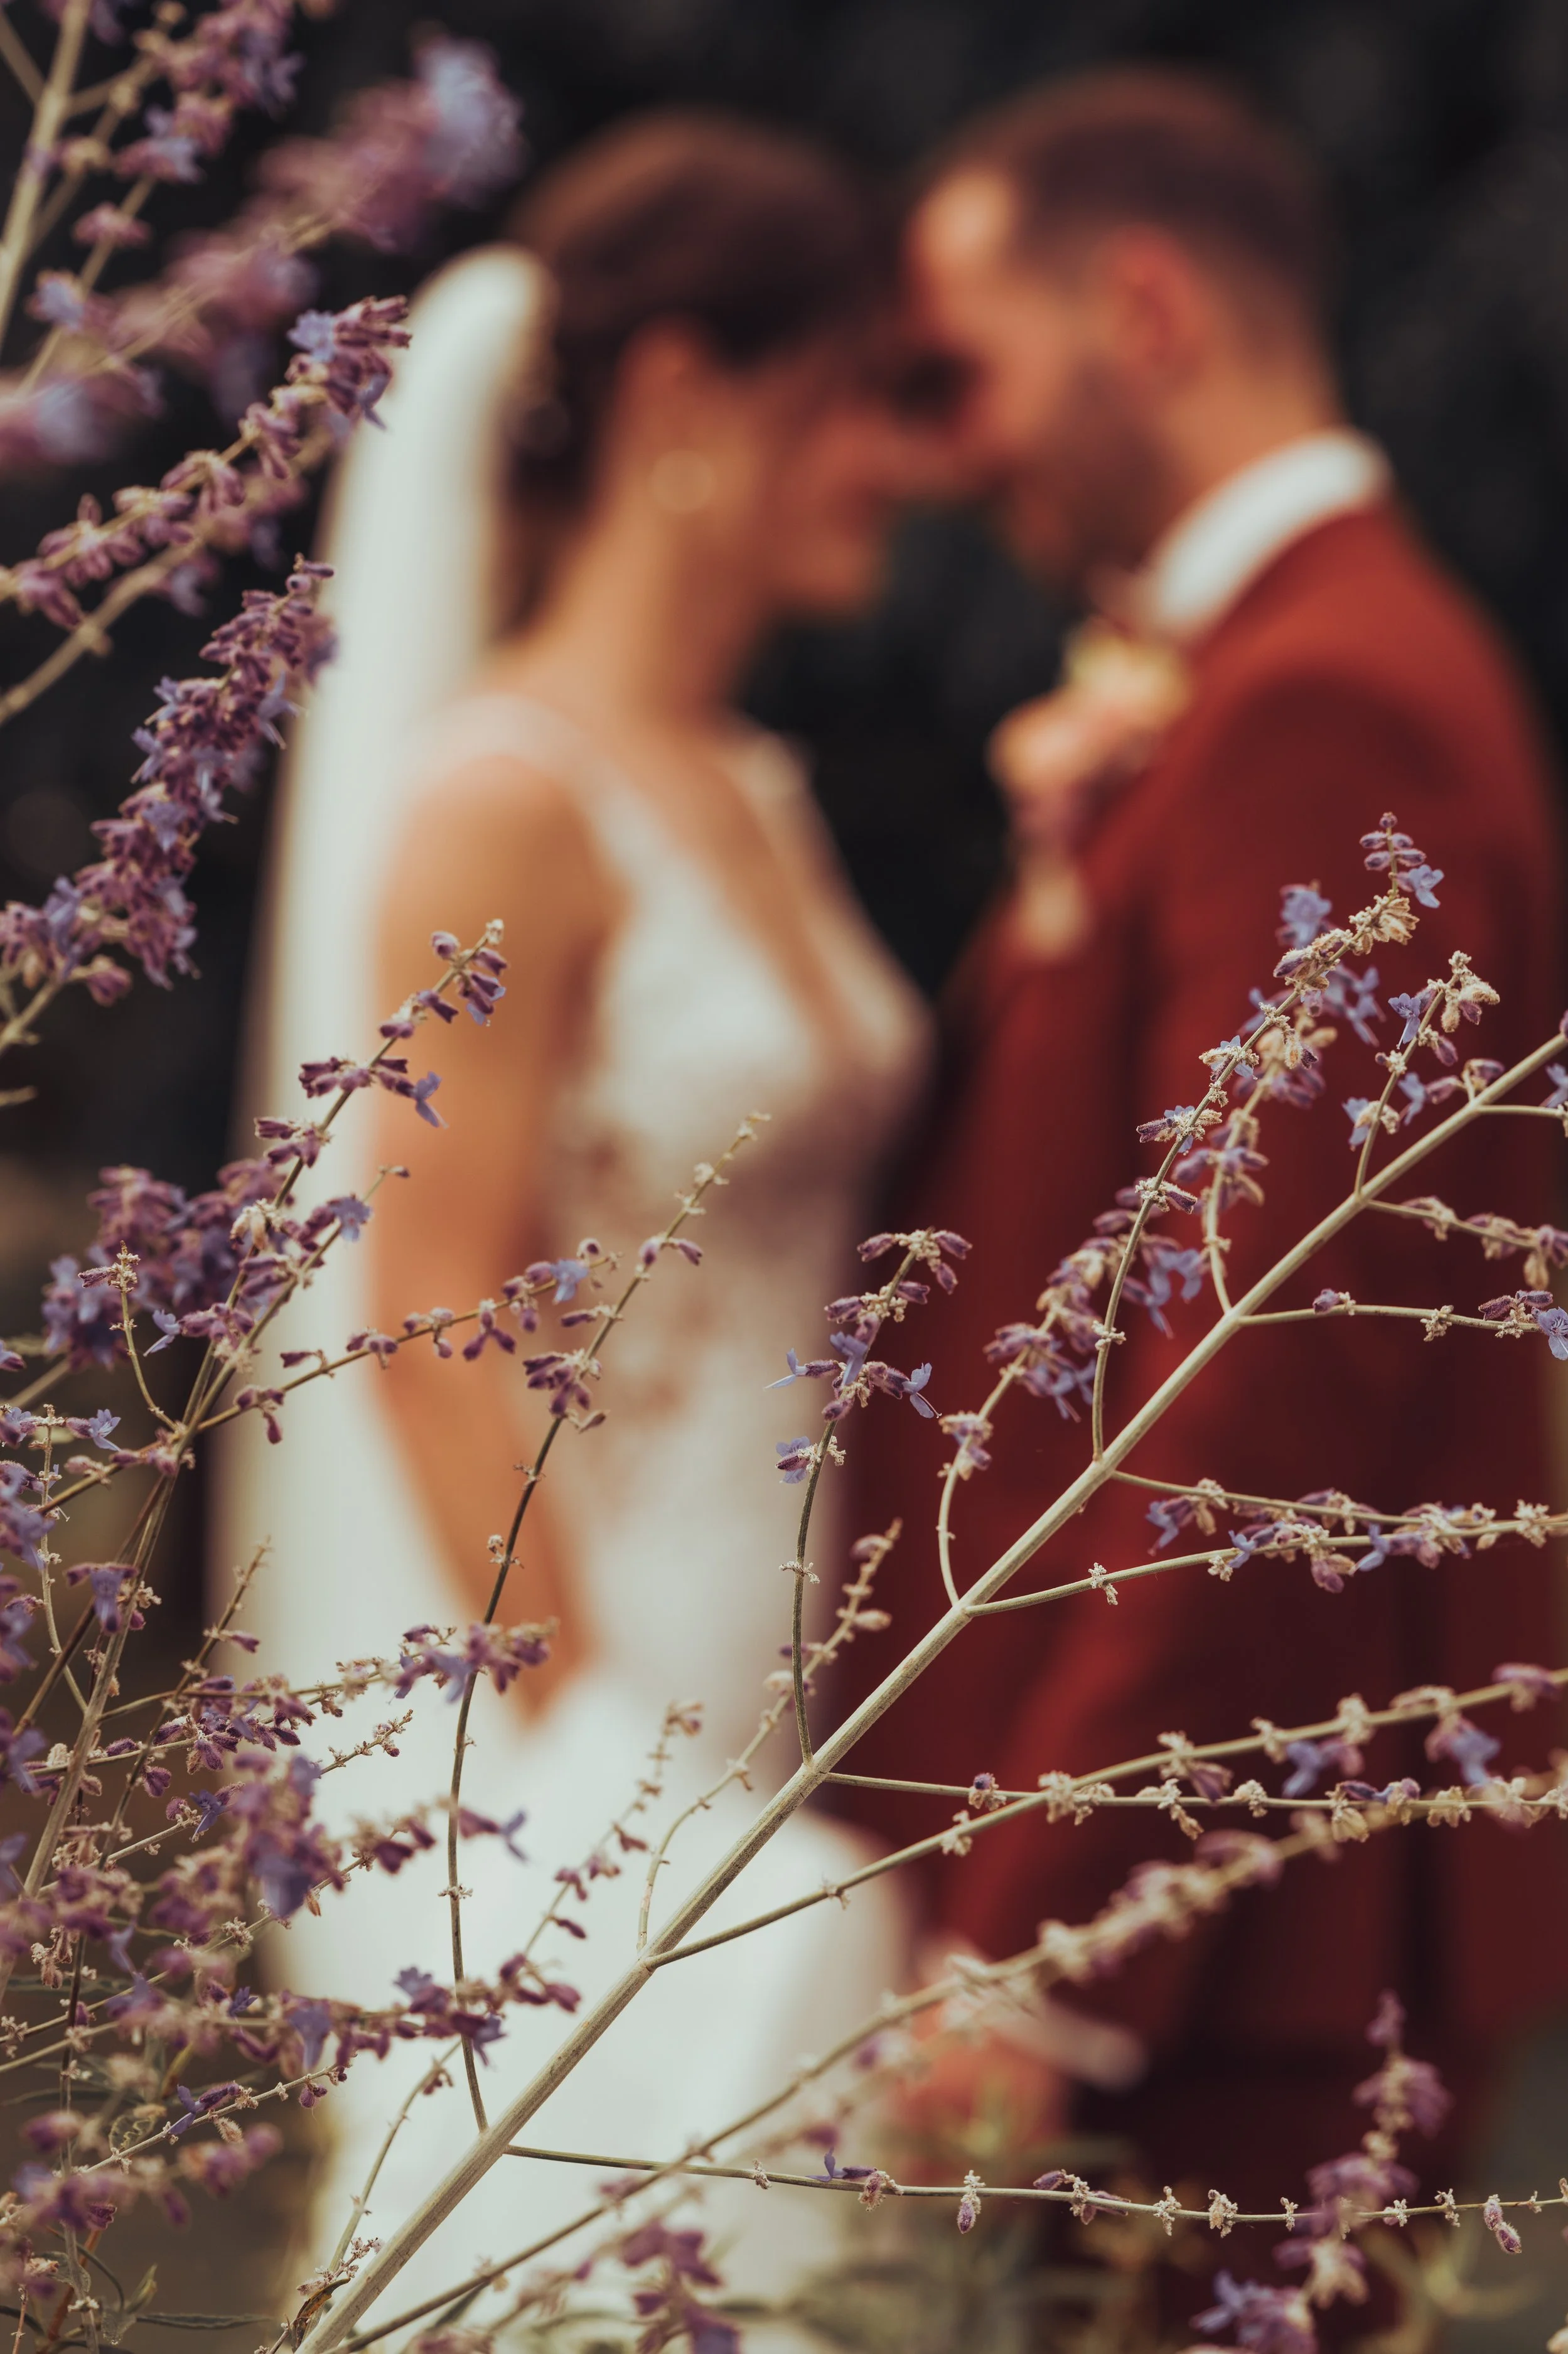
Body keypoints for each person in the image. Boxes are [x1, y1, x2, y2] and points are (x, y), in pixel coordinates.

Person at [831, 67, 1568, 2215]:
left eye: (966, 364)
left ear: (1138, 305)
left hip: (1257, 1911)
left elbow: (1273, 1351)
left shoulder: (1324, 697)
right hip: (1223, 1886)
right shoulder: (1268, 673)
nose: (952, 446)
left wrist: (1057, 1924)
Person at [221, 115, 933, 2308]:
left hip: (779, 1647)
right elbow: (426, 1317)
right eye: (864, 399)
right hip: (587, 1697)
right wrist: (592, 1758)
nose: (900, 468)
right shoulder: (504, 805)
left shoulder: (747, 780)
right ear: (685, 402)